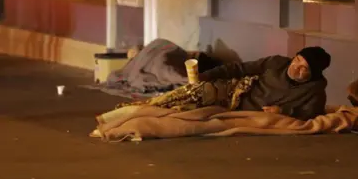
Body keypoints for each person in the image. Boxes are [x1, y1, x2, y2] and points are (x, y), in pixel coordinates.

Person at [116, 46, 331, 121]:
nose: (296, 68)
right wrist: (206, 76)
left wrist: (284, 110)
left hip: (244, 108)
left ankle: (142, 113)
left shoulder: (314, 90)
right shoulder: (277, 63)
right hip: (236, 90)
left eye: (304, 69)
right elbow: (238, 68)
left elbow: (312, 112)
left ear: (312, 75)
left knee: (187, 109)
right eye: (297, 61)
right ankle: (136, 110)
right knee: (193, 93)